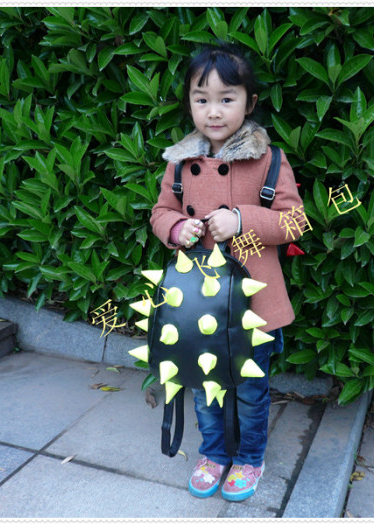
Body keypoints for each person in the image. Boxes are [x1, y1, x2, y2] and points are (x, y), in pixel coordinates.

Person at [150, 42, 306, 502]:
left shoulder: (270, 160)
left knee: (252, 389)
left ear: (249, 103)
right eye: (202, 99)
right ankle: (214, 453)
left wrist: (241, 221)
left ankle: (250, 458)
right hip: (198, 304)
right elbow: (160, 212)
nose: (213, 111)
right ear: (189, 103)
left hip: (253, 305)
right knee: (204, 387)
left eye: (226, 98)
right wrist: (177, 228)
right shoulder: (179, 163)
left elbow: (295, 222)